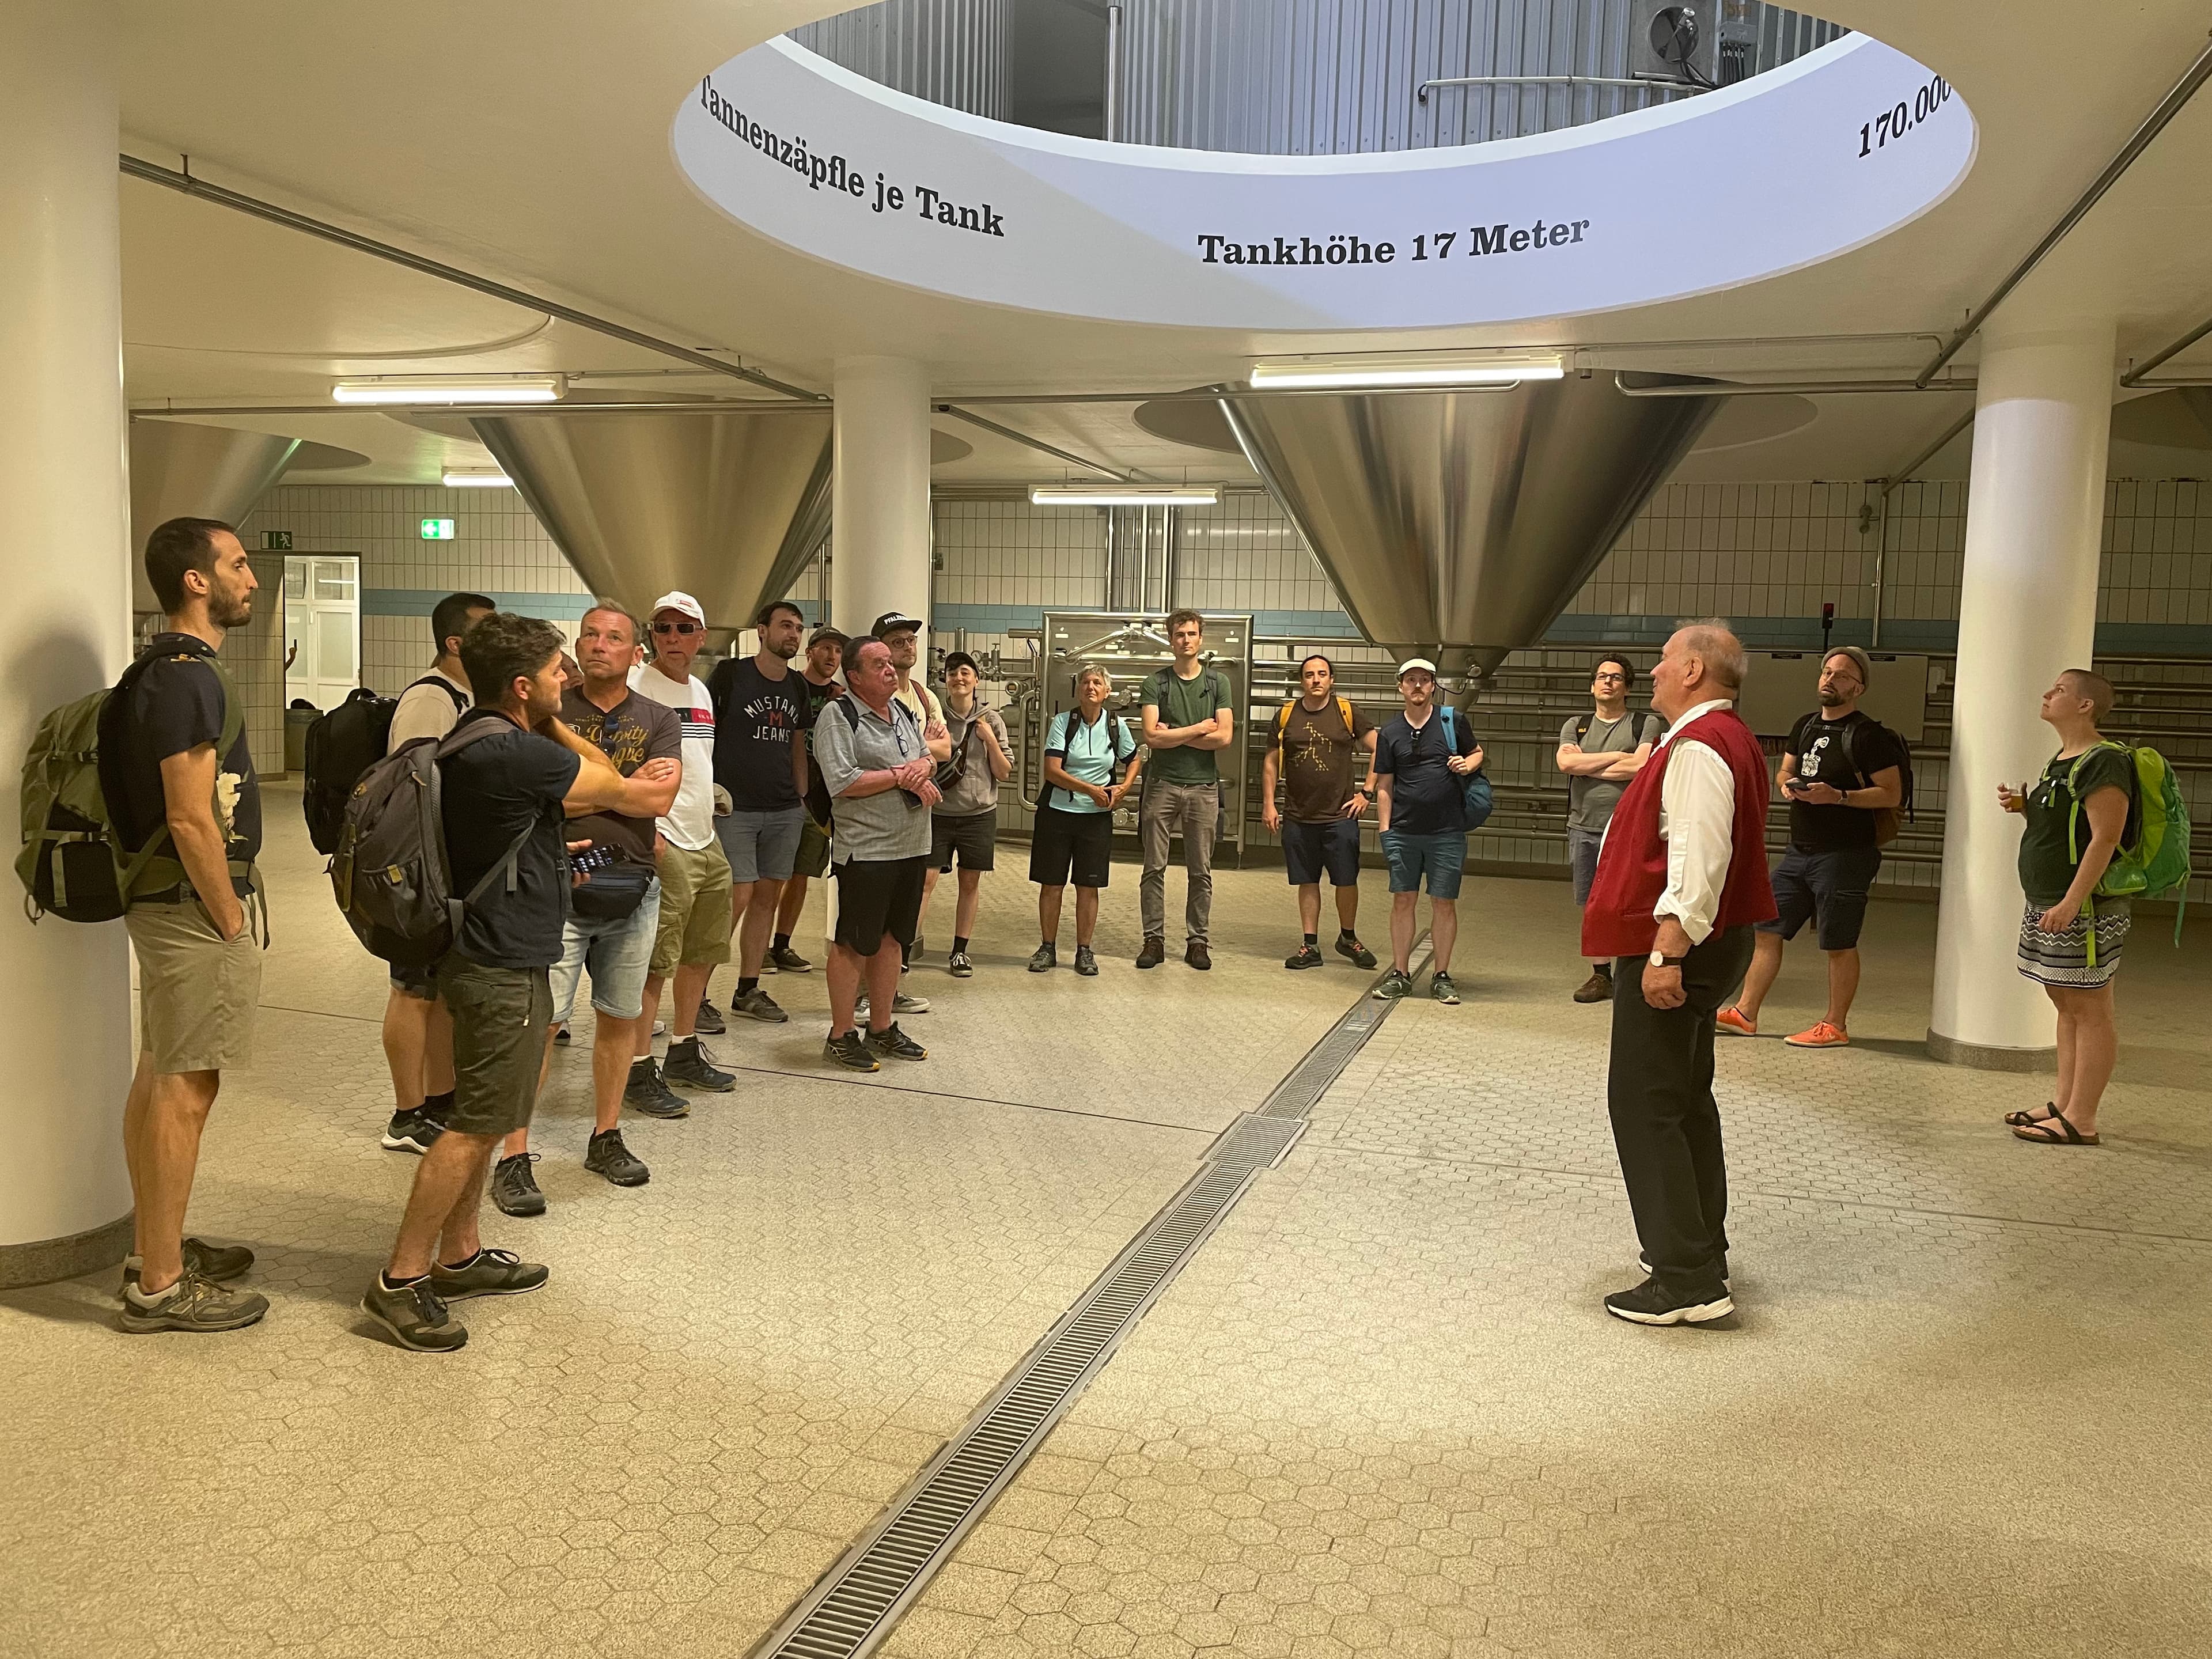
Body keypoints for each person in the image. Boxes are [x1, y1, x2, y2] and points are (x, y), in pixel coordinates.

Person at [359, 612, 639, 1352]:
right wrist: (553, 724)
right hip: (500, 965)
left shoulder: (470, 739)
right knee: (475, 1126)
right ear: (521, 686)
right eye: (554, 671)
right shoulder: (515, 749)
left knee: (484, 1112)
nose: (566, 679)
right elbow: (615, 783)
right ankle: (399, 1280)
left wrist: (547, 856)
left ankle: (460, 1256)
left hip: (490, 952)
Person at [1582, 621, 1777, 1326]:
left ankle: (1685, 1282)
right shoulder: (1727, 737)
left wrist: (1667, 951)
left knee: (1645, 1104)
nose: (1656, 672)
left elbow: (1700, 855)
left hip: (1681, 947)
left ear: (1694, 670)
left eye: (1666, 661)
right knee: (1685, 1099)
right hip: (1713, 942)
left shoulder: (1699, 746)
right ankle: (1697, 1247)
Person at [109, 518, 267, 1334]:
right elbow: (189, 815)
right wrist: (230, 916)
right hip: (188, 905)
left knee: (160, 1071)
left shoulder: (159, 670)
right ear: (196, 581)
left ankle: (152, 1248)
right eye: (237, 564)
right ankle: (162, 1287)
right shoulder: (187, 678)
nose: (251, 578)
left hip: (164, 900)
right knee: (188, 1087)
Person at [489, 603, 681, 1217]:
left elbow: (660, 800)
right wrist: (624, 788)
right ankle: (513, 1154)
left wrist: (588, 792)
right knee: (541, 1024)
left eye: (614, 637)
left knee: (621, 1018)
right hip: (556, 892)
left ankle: (606, 1135)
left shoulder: (659, 717)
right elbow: (537, 799)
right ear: (576, 646)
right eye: (591, 635)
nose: (600, 645)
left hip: (633, 889)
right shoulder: (546, 712)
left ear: (635, 653)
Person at [1717, 645, 1904, 1048]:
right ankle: (1746, 1013)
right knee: (1767, 929)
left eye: (1842, 675)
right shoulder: (1805, 725)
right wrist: (1788, 784)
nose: (1830, 679)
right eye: (1826, 671)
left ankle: (1835, 1025)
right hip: (1799, 852)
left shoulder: (1868, 735)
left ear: (1858, 688)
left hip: (1846, 855)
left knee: (1839, 941)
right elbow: (1787, 768)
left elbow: (1891, 793)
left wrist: (1839, 796)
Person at [378, 590, 494, 1156]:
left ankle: (441, 1099)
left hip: (449, 867)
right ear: (455, 642)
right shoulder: (431, 699)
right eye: (484, 631)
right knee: (413, 991)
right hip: (420, 868)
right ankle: (406, 1114)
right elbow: (411, 789)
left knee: (441, 991)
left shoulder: (465, 696)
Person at [2000, 669, 2134, 1147]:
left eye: (2059, 690)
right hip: (2051, 899)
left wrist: (2073, 902)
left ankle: (2083, 1119)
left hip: (2086, 908)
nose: (2047, 693)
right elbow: (2065, 827)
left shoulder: (2105, 761)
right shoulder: (2061, 760)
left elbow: (2106, 837)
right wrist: (2024, 807)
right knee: (2065, 1003)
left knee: (2090, 1008)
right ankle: (2064, 1103)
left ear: (2085, 705)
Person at [628, 591, 736, 1107]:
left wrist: (710, 807)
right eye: (663, 628)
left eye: (684, 628)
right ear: (651, 635)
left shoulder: (700, 692)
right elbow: (623, 768)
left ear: (701, 637)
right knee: (655, 961)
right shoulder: (636, 688)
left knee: (701, 953)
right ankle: (636, 1068)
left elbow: (696, 762)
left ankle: (683, 1049)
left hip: (705, 837)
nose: (673, 638)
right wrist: (648, 832)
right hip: (664, 838)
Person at [812, 639, 938, 1070]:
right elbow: (843, 781)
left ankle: (882, 1028)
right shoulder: (838, 716)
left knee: (893, 939)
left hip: (912, 845)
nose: (890, 670)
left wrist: (921, 769)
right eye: (879, 664)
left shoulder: (901, 711)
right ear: (854, 676)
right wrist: (901, 776)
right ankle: (841, 1034)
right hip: (867, 851)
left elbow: (928, 758)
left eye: (890, 662)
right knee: (853, 943)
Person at [706, 600, 813, 1024]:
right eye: (785, 626)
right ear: (762, 631)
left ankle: (747, 990)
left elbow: (797, 743)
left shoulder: (798, 686)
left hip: (784, 809)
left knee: (767, 899)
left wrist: (801, 797)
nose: (793, 634)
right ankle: (697, 994)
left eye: (798, 628)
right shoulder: (731, 676)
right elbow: (705, 734)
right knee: (736, 898)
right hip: (735, 808)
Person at [1372, 658, 1482, 1005]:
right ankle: (1400, 974)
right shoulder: (1390, 732)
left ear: (1433, 686)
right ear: (1401, 687)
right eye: (1410, 680)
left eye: (1424, 680)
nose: (1417, 685)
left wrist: (1467, 764)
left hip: (1447, 832)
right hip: (1403, 832)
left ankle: (1441, 976)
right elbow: (1385, 785)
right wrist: (1386, 831)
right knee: (1403, 900)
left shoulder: (1452, 721)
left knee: (1443, 902)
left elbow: (1477, 753)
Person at [1555, 654, 1664, 1004]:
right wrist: (1619, 756)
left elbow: (1642, 766)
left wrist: (1587, 766)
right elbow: (1565, 763)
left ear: (1627, 687)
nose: (1608, 682)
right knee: (1592, 903)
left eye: (1616, 677)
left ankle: (1635, 972)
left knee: (1632, 900)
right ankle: (1601, 975)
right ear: (1592, 686)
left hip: (1628, 828)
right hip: (1583, 826)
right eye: (1602, 677)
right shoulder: (1577, 724)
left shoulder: (1644, 723)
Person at [1260, 653, 1378, 972]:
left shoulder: (1347, 712)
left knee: (1346, 880)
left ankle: (1348, 938)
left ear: (1331, 680)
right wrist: (1269, 803)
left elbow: (1379, 747)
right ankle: (1310, 945)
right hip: (1299, 816)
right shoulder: (1286, 715)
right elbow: (1271, 762)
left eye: (1322, 674)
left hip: (1341, 816)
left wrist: (1367, 792)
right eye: (1310, 674)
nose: (1316, 680)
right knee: (1307, 880)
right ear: (1302, 681)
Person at [1137, 609, 1236, 971]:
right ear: (1170, 639)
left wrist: (1174, 735)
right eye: (1179, 634)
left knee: (1201, 870)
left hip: (1203, 788)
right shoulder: (1156, 682)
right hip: (1161, 785)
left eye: (1192, 634)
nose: (1186, 640)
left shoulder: (1218, 684)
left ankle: (1198, 942)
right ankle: (1154, 939)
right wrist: (1198, 729)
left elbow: (1224, 738)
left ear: (1200, 638)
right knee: (1153, 867)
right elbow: (1151, 737)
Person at [1029, 665, 1141, 977]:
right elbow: (1052, 770)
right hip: (1057, 815)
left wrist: (1125, 787)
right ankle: (1047, 947)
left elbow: (1134, 759)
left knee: (1088, 885)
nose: (1090, 687)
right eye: (1085, 683)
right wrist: (1090, 789)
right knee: (1052, 883)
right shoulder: (1063, 723)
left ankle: (1084, 951)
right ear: (1078, 690)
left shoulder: (1116, 725)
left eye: (1097, 683)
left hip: (1096, 820)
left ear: (1107, 692)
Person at [919, 651, 1012, 976]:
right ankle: (904, 948)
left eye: (965, 672)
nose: (958, 678)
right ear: (944, 680)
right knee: (925, 880)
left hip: (979, 815)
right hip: (939, 812)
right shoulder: (934, 717)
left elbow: (1004, 772)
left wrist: (991, 742)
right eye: (952, 673)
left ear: (976, 680)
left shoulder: (992, 720)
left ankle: (959, 951)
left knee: (969, 882)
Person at [770, 626, 847, 972]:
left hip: (820, 800)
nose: (832, 656)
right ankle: (757, 947)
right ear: (810, 651)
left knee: (801, 874)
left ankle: (781, 945)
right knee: (772, 876)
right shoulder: (791, 687)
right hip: (784, 795)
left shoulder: (840, 698)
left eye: (838, 651)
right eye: (825, 648)